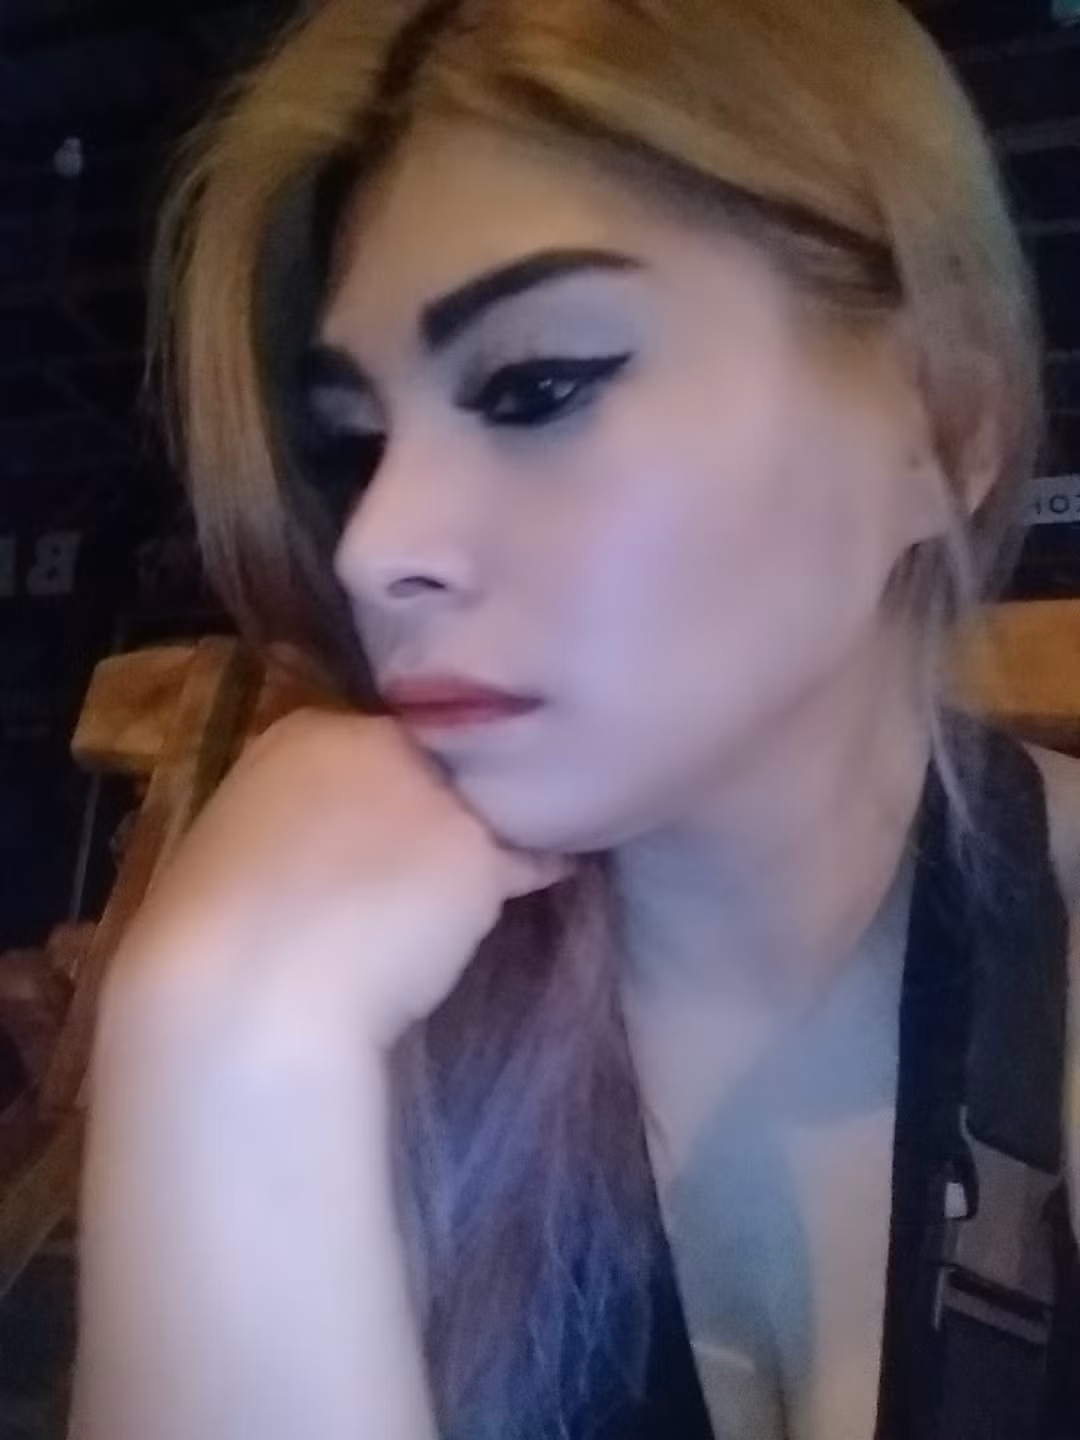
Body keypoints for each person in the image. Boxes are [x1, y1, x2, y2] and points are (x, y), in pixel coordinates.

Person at [71, 0, 1080, 1437]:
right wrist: (229, 1047)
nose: (372, 548)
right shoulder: (364, 1013)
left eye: (538, 385)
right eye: (357, 445)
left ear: (945, 427)